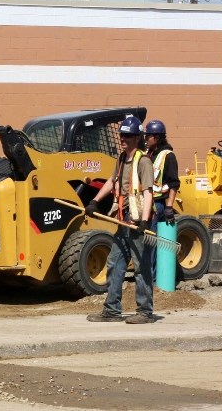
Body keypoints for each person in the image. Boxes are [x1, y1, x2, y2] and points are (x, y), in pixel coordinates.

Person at [84, 115, 155, 324]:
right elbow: (111, 180)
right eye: (121, 135)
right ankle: (112, 309)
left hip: (138, 222)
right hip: (123, 221)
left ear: (136, 138)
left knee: (142, 267)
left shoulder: (144, 161)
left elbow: (149, 192)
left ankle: (145, 311)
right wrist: (95, 200)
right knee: (115, 263)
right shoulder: (121, 159)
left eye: (127, 135)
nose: (122, 139)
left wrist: (143, 221)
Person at [144, 119, 180, 276]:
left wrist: (169, 207)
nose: (145, 139)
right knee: (148, 241)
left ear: (156, 138)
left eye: (148, 136)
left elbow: (174, 184)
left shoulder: (168, 156)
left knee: (151, 243)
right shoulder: (148, 154)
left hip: (158, 204)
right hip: (146, 204)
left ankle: (152, 279)